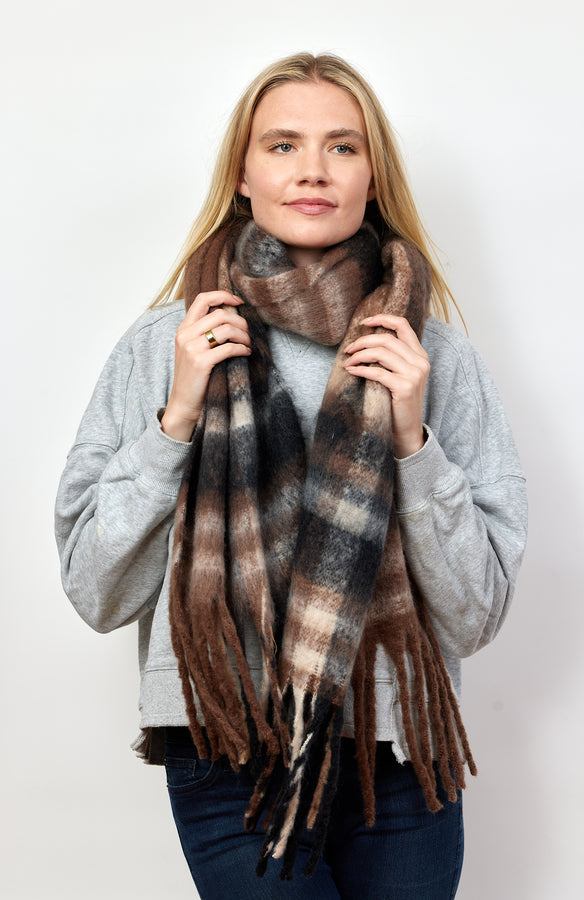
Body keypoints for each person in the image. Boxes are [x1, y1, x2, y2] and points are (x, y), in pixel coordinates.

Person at [55, 52, 527, 899]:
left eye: (342, 147)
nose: (312, 169)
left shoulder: (435, 356)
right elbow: (96, 589)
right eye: (283, 145)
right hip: (230, 750)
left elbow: (475, 613)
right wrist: (176, 421)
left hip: (400, 758)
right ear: (243, 173)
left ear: (373, 176)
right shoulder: (167, 343)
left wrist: (415, 442)